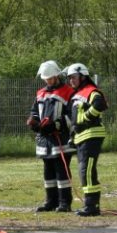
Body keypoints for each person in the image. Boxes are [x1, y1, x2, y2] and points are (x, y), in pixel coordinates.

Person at [26, 61, 75, 212]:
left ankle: (65, 203)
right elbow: (35, 110)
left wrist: (56, 125)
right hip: (44, 139)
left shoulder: (68, 92)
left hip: (61, 138)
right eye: (45, 78)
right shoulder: (40, 93)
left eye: (50, 78)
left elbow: (72, 115)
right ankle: (50, 202)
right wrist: (33, 121)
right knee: (48, 172)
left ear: (57, 76)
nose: (48, 81)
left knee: (62, 172)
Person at [66, 63, 108, 217]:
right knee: (84, 171)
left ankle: (92, 206)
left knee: (87, 171)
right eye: (69, 78)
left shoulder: (91, 91)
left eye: (73, 77)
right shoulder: (78, 94)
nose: (71, 81)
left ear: (83, 76)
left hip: (92, 135)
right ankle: (90, 205)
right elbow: (75, 120)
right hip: (82, 137)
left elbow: (100, 104)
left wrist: (85, 118)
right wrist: (72, 136)